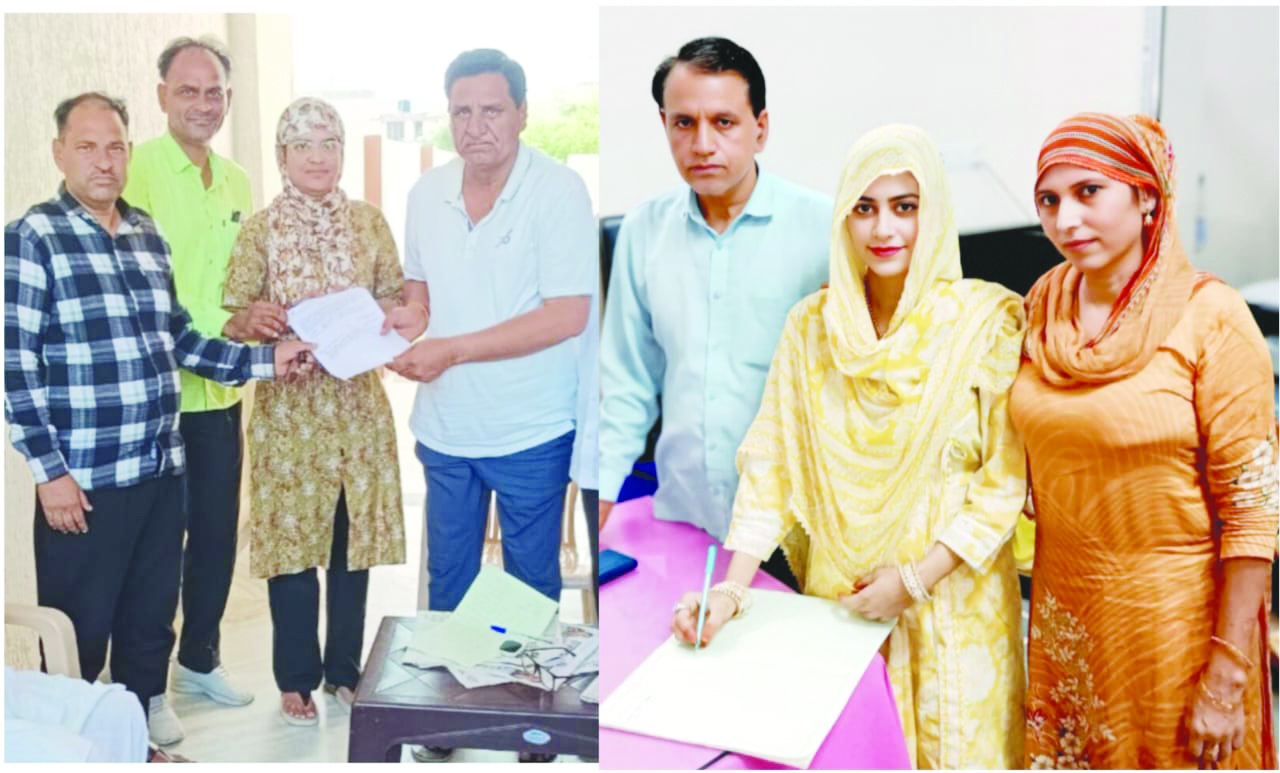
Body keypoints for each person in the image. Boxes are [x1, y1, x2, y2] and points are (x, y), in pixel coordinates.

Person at [671, 125, 1028, 769]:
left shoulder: (986, 324)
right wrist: (729, 591)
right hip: (842, 609)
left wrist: (913, 582)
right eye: (864, 208)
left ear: (933, 212)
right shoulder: (812, 328)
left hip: (951, 608)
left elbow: (1003, 486)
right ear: (842, 218)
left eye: (905, 206)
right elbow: (770, 466)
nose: (884, 228)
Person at [3, 92, 310, 749]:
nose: (104, 160)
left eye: (115, 146)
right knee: (79, 632)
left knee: (148, 623)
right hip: (83, 483)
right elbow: (15, 369)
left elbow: (183, 341)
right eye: (87, 146)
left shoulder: (146, 234)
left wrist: (266, 361)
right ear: (59, 154)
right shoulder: (33, 238)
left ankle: (138, 742)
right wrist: (49, 474)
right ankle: (74, 749)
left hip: (160, 470)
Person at [1012, 112, 1277, 769]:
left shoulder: (1211, 317)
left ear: (1147, 196)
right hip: (1067, 622)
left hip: (1175, 633)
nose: (1067, 218)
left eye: (1089, 192)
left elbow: (1252, 511)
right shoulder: (1042, 305)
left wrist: (1228, 671)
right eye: (1049, 200)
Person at [389, 47, 595, 764]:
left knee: (529, 582)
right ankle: (448, 720)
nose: (475, 126)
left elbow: (566, 314)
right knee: (449, 578)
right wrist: (404, 324)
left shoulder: (558, 191)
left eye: (491, 110)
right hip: (447, 425)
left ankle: (530, 724)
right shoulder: (426, 194)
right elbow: (419, 293)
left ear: (522, 114)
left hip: (531, 425)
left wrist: (452, 349)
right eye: (461, 112)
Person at [598, 37, 831, 586]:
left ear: (760, 129)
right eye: (684, 123)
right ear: (664, 124)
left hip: (797, 526)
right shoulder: (643, 230)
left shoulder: (825, 228)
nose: (702, 144)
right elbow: (627, 384)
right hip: (686, 516)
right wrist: (598, 502)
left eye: (724, 122)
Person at [221, 97, 407, 727]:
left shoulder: (368, 223)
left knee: (351, 544)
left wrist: (383, 323)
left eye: (329, 143)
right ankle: (296, 677)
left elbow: (396, 300)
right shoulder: (261, 230)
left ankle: (345, 671)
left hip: (356, 409)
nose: (318, 157)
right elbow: (234, 317)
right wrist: (255, 322)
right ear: (282, 155)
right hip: (289, 415)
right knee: (292, 548)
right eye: (303, 145)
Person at [122, 36, 262, 743]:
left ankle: (200, 657)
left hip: (221, 393)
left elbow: (241, 278)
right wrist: (225, 322)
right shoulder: (138, 169)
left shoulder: (236, 181)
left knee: (213, 534)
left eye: (214, 93)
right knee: (155, 547)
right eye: (188, 91)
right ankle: (143, 688)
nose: (203, 104)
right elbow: (142, 285)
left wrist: (262, 314)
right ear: (162, 96)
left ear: (227, 100)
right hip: (156, 392)